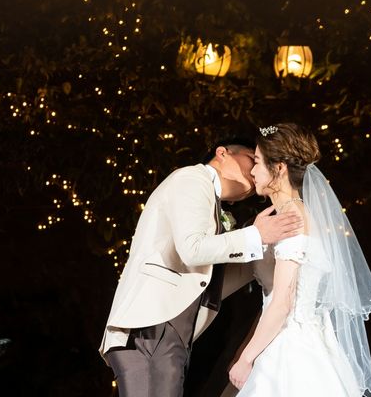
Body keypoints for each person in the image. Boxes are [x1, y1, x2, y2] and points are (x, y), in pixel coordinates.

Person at [99, 139, 303, 397]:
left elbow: (211, 278)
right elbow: (192, 249)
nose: (254, 171)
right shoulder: (192, 179)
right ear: (223, 153)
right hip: (151, 323)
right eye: (252, 158)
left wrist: (265, 248)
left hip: (172, 329)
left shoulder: (214, 205)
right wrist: (254, 236)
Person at [228, 124, 371, 397]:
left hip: (291, 347)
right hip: (287, 338)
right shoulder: (290, 214)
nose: (252, 171)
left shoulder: (292, 219)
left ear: (279, 168)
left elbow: (283, 302)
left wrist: (246, 358)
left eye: (258, 162)